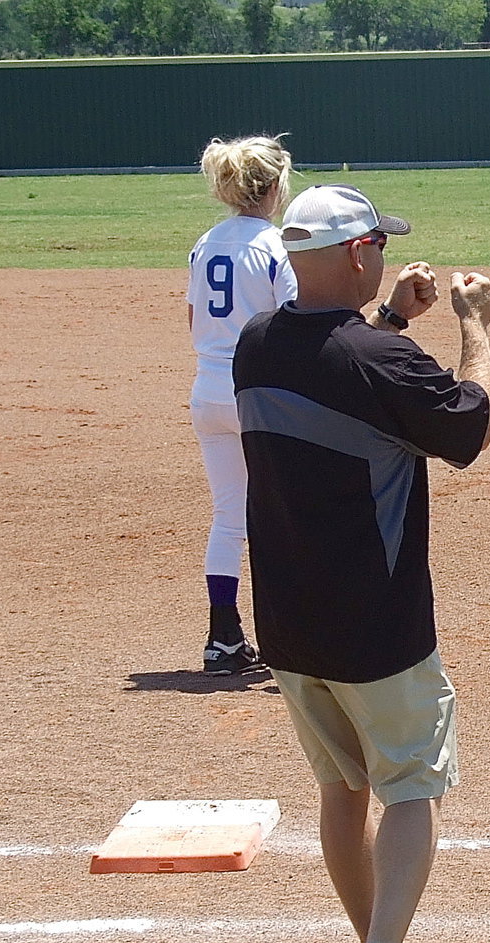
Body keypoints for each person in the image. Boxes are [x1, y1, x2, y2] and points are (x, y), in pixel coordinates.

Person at [232, 184, 490, 943]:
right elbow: (468, 427)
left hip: (288, 625)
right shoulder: (380, 362)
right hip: (378, 625)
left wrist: (388, 315)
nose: (385, 253)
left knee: (343, 789)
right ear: (356, 253)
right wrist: (475, 326)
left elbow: (334, 369)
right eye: (379, 243)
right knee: (411, 785)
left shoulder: (255, 346)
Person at [187, 134, 296, 675]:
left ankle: (223, 639)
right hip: (258, 396)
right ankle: (293, 639)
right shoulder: (276, 246)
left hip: (207, 391)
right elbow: (297, 323)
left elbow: (194, 324)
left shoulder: (204, 244)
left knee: (231, 515)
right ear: (275, 186)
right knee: (290, 514)